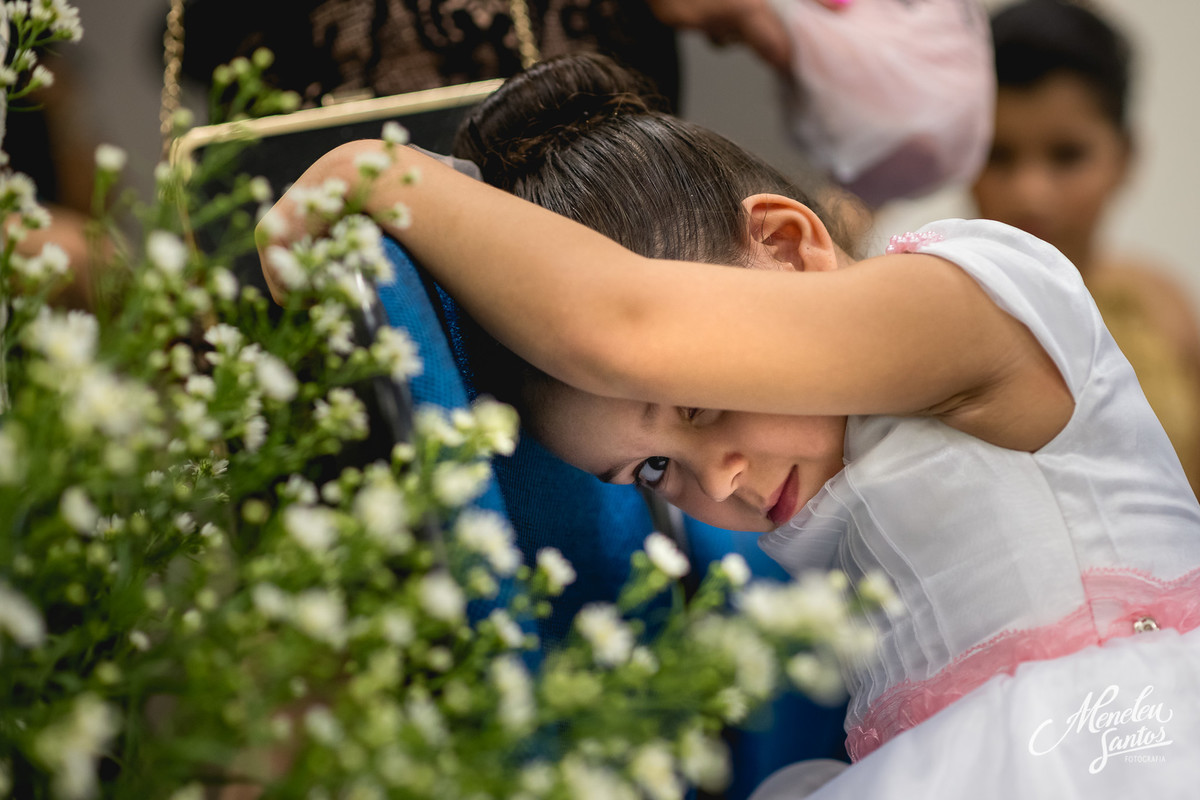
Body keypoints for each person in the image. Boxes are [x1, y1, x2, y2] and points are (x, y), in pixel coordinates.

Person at [258, 54, 1200, 796]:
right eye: (651, 469)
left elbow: (618, 325)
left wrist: (373, 171)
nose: (716, 484)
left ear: (788, 245)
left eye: (702, 403)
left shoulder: (979, 304)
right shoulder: (807, 508)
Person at [971, 0, 1200, 497]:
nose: (1031, 191)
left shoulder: (1164, 312)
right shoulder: (921, 305)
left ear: (1125, 158)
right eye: (999, 155)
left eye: (1067, 155)